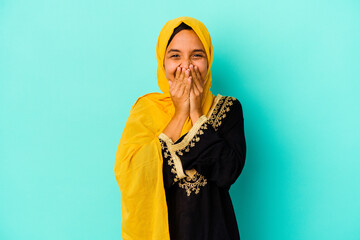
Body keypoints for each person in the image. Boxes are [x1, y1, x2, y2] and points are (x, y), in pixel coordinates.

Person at [114, 16, 246, 240]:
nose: (187, 65)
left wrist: (195, 113)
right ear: (163, 63)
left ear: (208, 61)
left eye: (197, 55)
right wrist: (179, 113)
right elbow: (134, 178)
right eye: (175, 56)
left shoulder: (228, 108)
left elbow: (228, 172)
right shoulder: (145, 111)